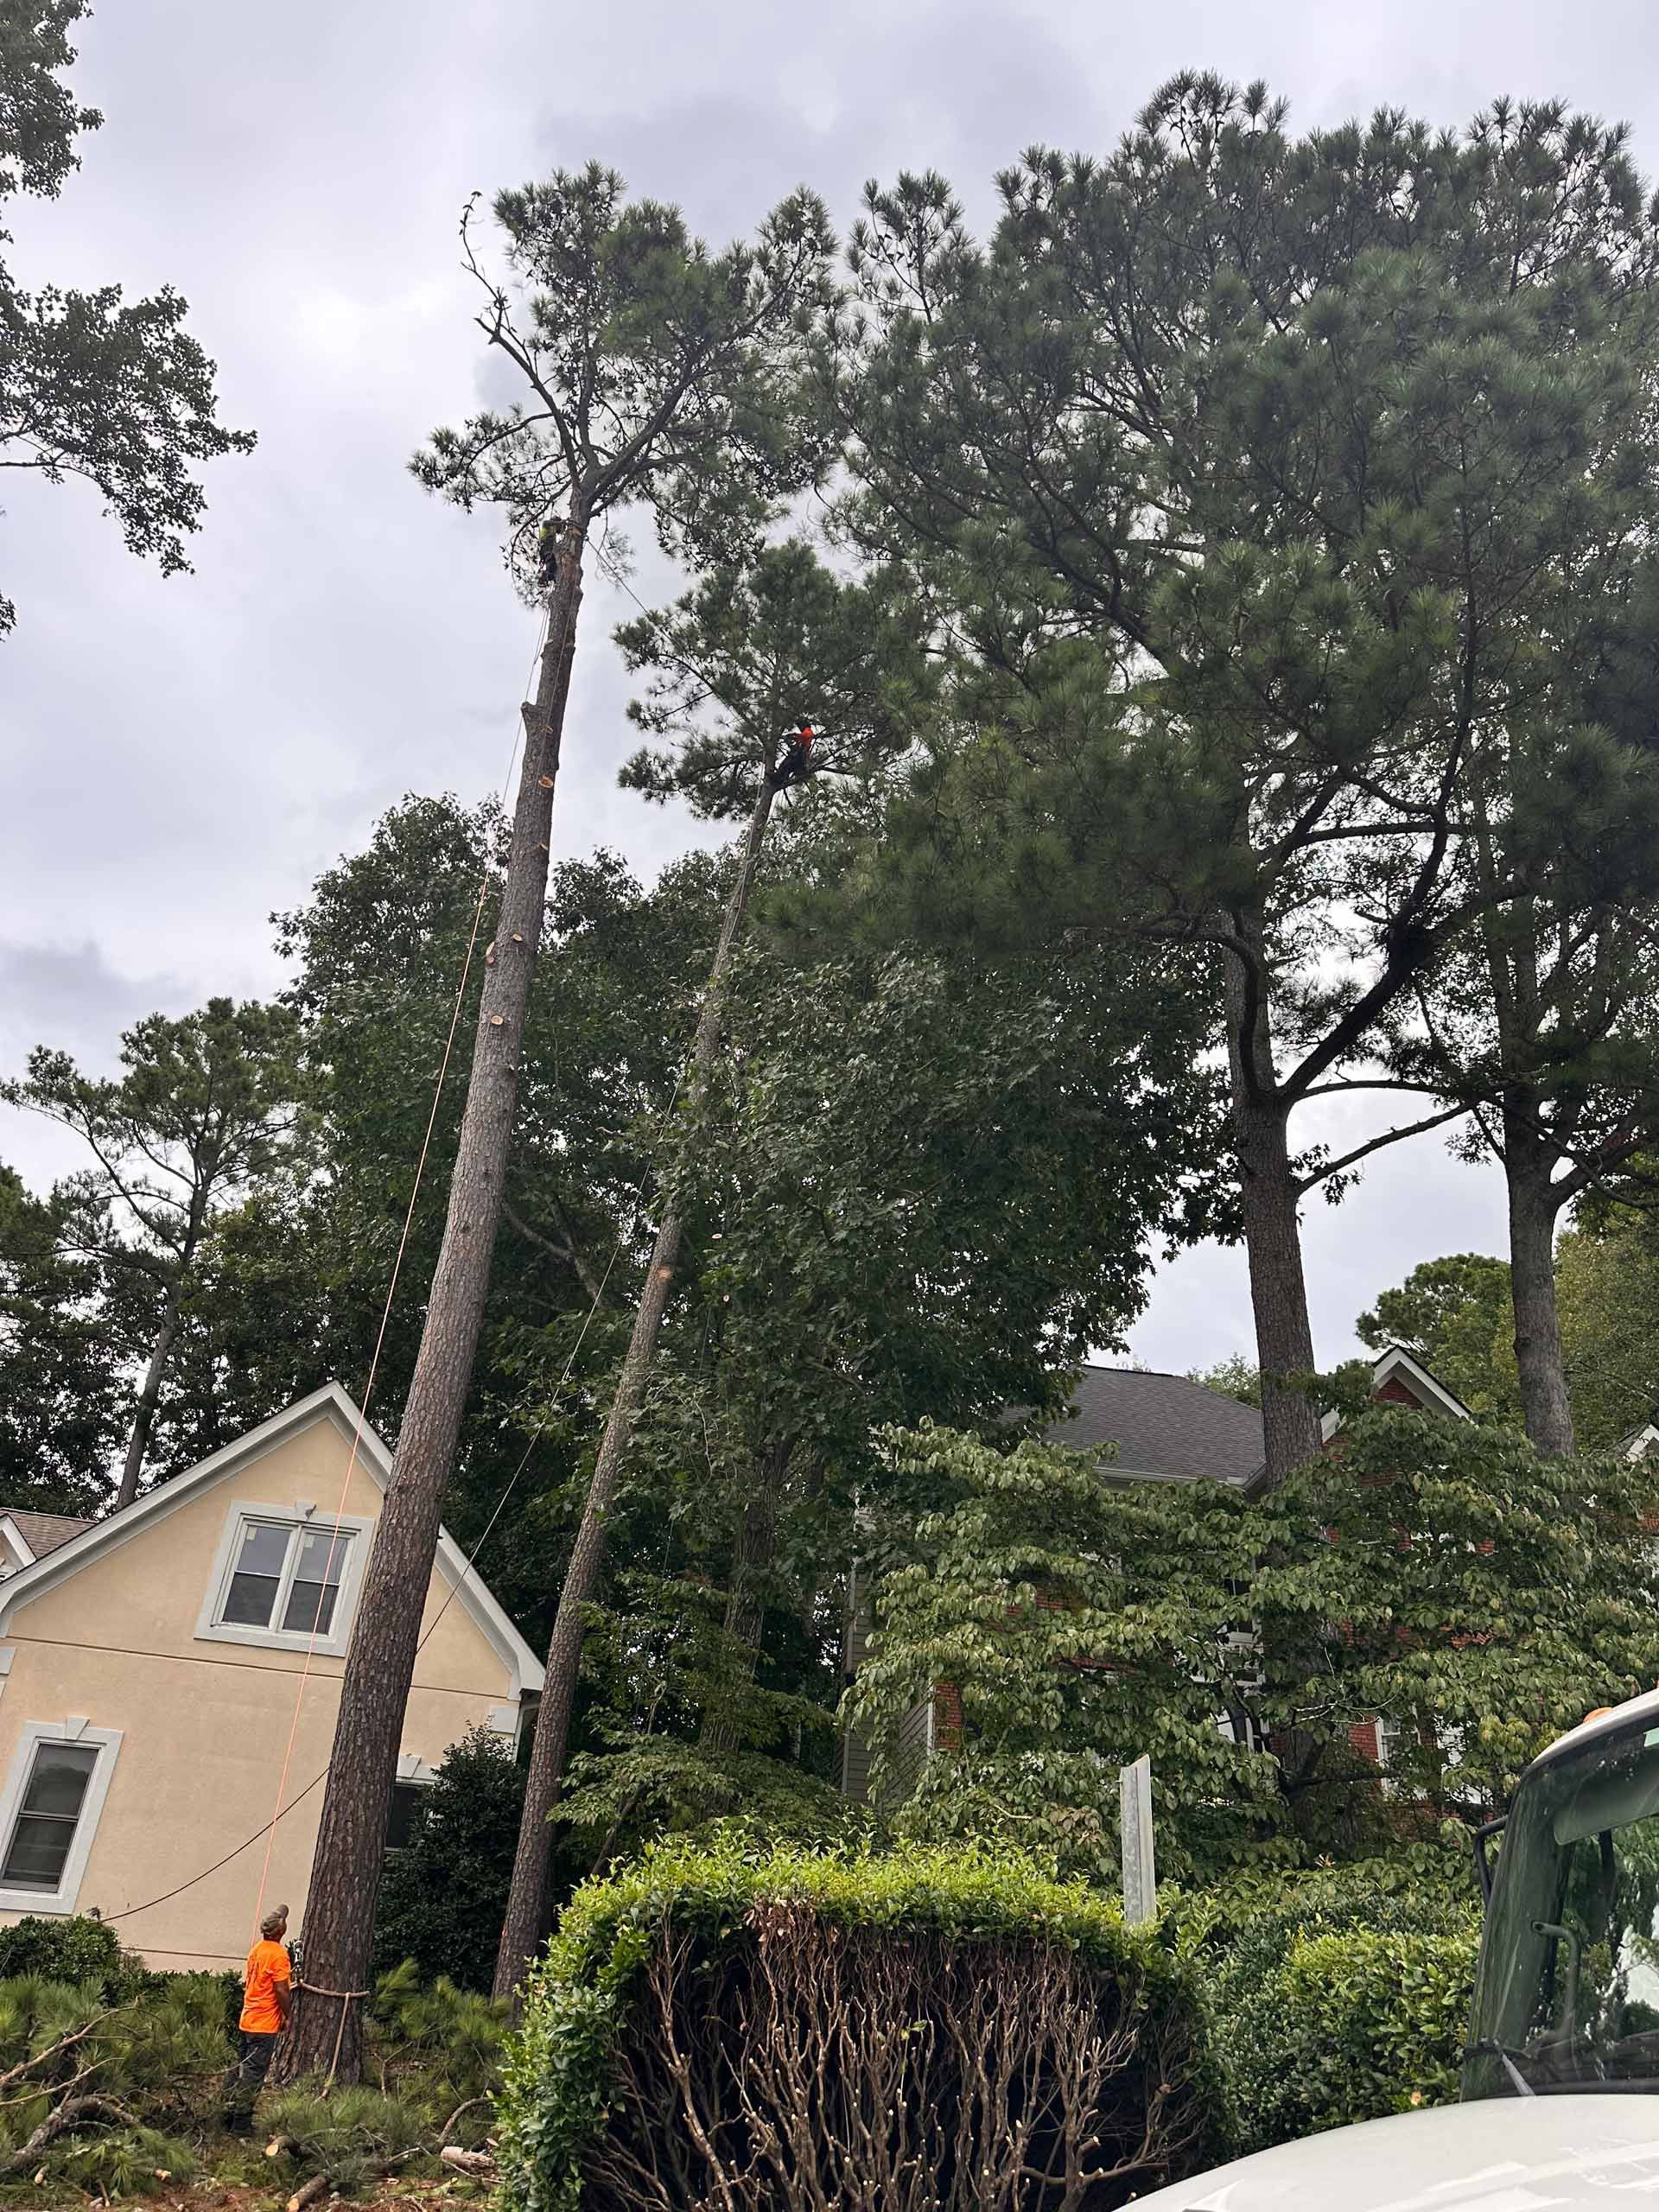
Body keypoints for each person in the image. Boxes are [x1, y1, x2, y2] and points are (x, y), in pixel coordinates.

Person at [224, 1905, 291, 2130]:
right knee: (253, 2074)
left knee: (239, 2069)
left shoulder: (256, 1950)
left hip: (247, 2019)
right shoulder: (279, 1954)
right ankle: (241, 2124)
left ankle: (226, 2113)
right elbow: (281, 1990)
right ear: (281, 1932)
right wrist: (288, 2015)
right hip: (264, 2025)